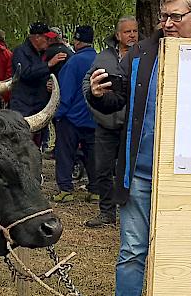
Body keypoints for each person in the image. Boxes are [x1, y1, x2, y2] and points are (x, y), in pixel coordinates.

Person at [84, 0, 191, 296]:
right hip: (142, 171)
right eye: (164, 16)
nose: (168, 23)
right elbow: (118, 98)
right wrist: (99, 94)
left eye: (176, 16)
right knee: (132, 249)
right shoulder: (143, 52)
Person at [82, 16, 139, 227]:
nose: (132, 35)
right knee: (103, 170)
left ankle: (131, 215)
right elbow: (88, 83)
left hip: (131, 126)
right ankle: (106, 213)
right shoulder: (102, 57)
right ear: (118, 35)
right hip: (105, 124)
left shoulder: (141, 55)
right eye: (127, 32)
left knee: (129, 172)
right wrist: (94, 107)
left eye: (134, 31)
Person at [52, 25, 98, 203]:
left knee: (64, 153)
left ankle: (65, 190)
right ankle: (96, 191)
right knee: (93, 155)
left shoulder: (73, 62)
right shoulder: (100, 59)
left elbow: (66, 92)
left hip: (71, 118)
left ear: (77, 41)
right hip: (93, 118)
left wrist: (58, 115)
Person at [11, 22, 67, 148]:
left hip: (38, 106)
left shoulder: (41, 53)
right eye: (46, 38)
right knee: (22, 144)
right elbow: (25, 73)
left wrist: (48, 83)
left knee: (36, 144)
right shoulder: (20, 52)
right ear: (37, 37)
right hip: (24, 106)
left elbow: (39, 75)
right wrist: (48, 65)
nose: (49, 41)